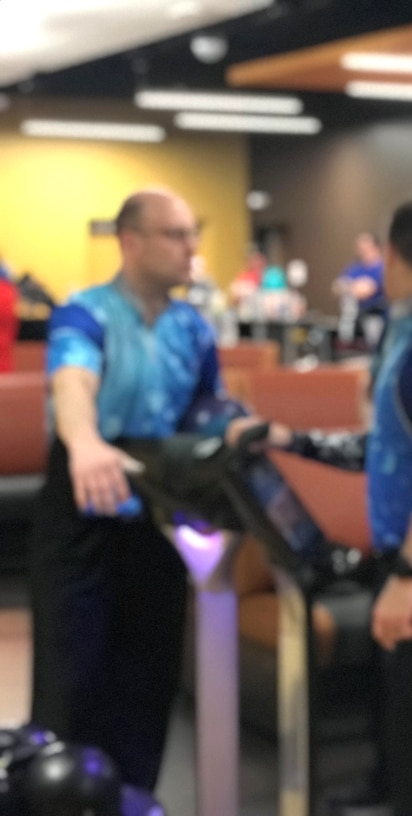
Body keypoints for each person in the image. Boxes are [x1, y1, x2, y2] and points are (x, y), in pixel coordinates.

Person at [235, 197, 412, 816]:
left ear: (390, 251)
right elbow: (391, 447)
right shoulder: (408, 323)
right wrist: (290, 439)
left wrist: (409, 575)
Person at [27, 188, 220, 791]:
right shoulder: (85, 311)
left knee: (149, 677)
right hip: (84, 503)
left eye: (194, 232)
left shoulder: (192, 326)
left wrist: (238, 426)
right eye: (176, 234)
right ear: (130, 241)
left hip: (160, 514)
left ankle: (135, 799)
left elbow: (205, 408)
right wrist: (84, 443)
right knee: (72, 679)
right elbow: (73, 381)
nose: (191, 248)